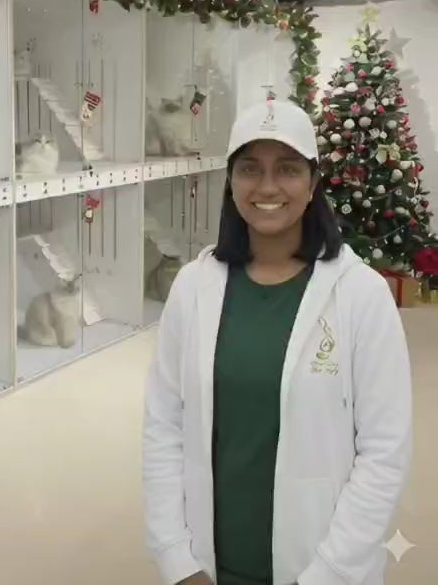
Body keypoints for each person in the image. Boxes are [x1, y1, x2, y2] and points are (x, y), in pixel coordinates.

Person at [143, 98, 412, 585]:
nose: (267, 187)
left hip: (321, 568)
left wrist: (329, 572)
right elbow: (164, 427)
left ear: (312, 183)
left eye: (287, 168)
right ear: (231, 181)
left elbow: (384, 452)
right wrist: (177, 559)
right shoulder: (192, 287)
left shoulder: (361, 295)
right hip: (209, 566)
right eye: (250, 168)